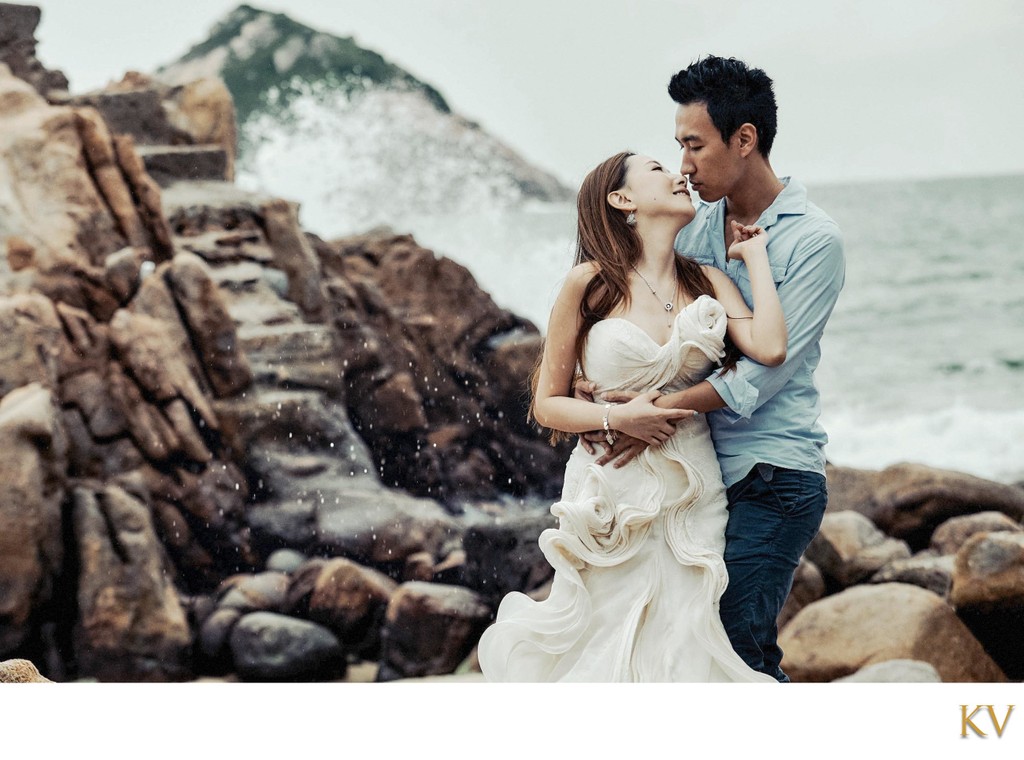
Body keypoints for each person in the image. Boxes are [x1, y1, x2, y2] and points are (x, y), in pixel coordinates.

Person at [476, 149, 785, 682]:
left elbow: (771, 348)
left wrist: (755, 259)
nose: (678, 175)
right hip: (610, 489)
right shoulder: (588, 284)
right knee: (602, 639)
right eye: (657, 170)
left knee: (689, 641)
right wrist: (617, 419)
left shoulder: (709, 281)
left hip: (692, 488)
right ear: (622, 200)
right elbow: (548, 403)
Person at [592, 56, 845, 682]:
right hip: (693, 475)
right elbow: (645, 313)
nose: (683, 164)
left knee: (738, 645)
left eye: (694, 145)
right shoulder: (692, 226)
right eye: (678, 146)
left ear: (745, 139)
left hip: (774, 473)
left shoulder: (814, 241)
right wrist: (595, 390)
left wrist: (651, 411)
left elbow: (759, 378)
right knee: (687, 651)